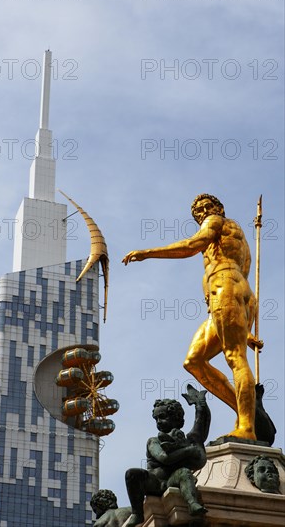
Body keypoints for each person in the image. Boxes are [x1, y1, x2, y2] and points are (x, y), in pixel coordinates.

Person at [122, 194, 262, 440]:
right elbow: (244, 277)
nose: (204, 212)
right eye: (199, 211)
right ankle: (245, 412)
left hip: (225, 288)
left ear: (218, 208)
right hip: (232, 294)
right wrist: (244, 325)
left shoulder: (216, 223)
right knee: (194, 361)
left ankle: (248, 428)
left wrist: (147, 252)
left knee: (235, 358)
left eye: (208, 207)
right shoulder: (233, 235)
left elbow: (191, 245)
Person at [125, 385, 210, 527]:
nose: (158, 422)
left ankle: (192, 503)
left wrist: (200, 405)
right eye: (156, 419)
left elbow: (201, 425)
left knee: (184, 473)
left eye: (162, 417)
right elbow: (165, 458)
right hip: (155, 481)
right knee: (132, 474)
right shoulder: (154, 441)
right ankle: (137, 513)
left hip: (171, 479)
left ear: (176, 418)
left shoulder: (185, 440)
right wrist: (189, 451)